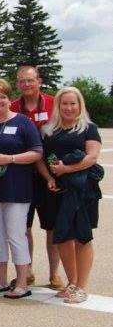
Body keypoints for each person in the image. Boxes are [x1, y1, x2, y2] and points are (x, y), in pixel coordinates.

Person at [0, 78, 42, 299]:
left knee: (15, 235)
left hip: (17, 191)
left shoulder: (23, 123)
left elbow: (37, 152)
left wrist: (10, 158)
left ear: (9, 99)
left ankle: (22, 282)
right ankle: (1, 280)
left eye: (3, 96)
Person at [35, 87, 102, 304]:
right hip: (57, 190)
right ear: (58, 106)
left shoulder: (88, 128)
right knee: (62, 236)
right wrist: (50, 178)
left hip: (82, 190)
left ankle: (82, 286)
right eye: (65, 103)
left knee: (82, 236)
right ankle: (71, 282)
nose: (69, 107)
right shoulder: (48, 130)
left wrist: (66, 170)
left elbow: (92, 157)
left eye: (73, 103)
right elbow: (41, 158)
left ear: (80, 105)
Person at [11, 65, 59, 288]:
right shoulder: (12, 107)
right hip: (21, 175)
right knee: (23, 226)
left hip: (50, 174)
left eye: (29, 80)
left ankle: (54, 273)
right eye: (21, 81)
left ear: (39, 81)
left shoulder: (54, 104)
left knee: (52, 226)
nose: (26, 84)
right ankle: (27, 269)